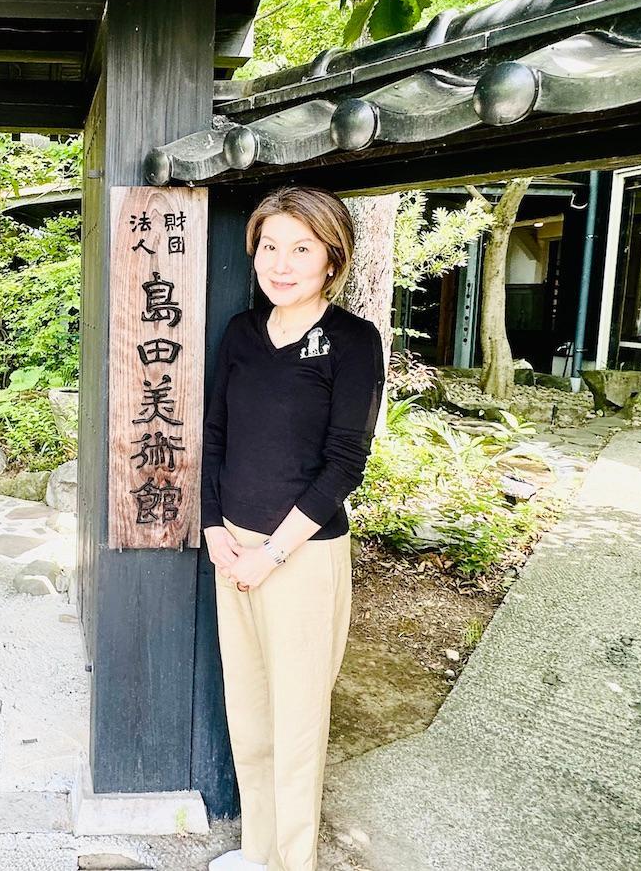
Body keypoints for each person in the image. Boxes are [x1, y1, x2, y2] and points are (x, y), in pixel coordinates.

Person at [202, 185, 386, 871]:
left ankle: (293, 862)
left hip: (301, 557)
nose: (281, 264)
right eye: (270, 247)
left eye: (301, 249)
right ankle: (259, 853)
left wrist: (272, 553)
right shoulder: (242, 333)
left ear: (332, 259)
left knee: (298, 725)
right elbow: (214, 435)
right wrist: (214, 530)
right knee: (249, 718)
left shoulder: (353, 342)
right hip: (233, 551)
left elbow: (345, 464)